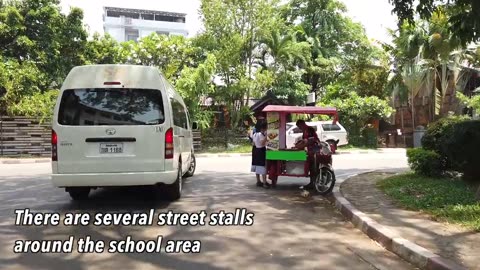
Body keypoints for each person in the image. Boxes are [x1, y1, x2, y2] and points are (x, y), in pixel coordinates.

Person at [294, 119, 322, 190]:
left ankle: (315, 184)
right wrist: (298, 145)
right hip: (310, 151)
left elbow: (310, 141)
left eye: (299, 126)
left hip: (315, 151)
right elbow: (304, 141)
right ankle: (312, 183)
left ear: (302, 124)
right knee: (311, 168)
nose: (299, 128)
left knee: (314, 168)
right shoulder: (304, 131)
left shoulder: (309, 129)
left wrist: (299, 147)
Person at [251, 122, 270, 188]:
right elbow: (262, 143)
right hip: (261, 151)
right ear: (264, 128)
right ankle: (264, 183)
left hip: (256, 151)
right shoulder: (261, 135)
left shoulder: (255, 134)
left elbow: (253, 143)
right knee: (262, 166)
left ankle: (258, 181)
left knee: (257, 167)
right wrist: (266, 137)